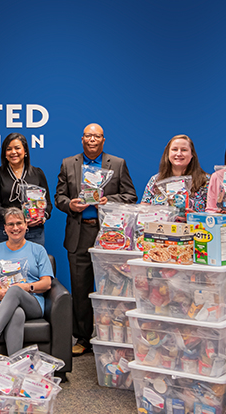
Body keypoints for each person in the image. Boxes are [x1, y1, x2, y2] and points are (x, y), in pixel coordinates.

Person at [54, 123, 136, 356]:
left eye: (97, 136)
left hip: (109, 235)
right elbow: (59, 196)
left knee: (112, 288)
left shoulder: (117, 164)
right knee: (80, 288)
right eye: (88, 136)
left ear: (103, 140)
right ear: (82, 139)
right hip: (79, 233)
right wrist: (69, 204)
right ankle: (82, 338)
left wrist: (109, 201)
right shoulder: (68, 163)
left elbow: (131, 195)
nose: (92, 139)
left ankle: (111, 336)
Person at [0, 208, 54, 356]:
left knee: (15, 290)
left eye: (19, 223)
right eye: (11, 224)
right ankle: (15, 363)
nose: (15, 228)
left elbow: (46, 283)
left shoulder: (38, 250)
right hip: (0, 302)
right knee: (17, 314)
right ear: (5, 227)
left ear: (26, 225)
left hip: (32, 302)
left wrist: (25, 287)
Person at [0, 133, 52, 245]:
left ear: (25, 151)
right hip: (7, 230)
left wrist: (42, 217)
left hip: (34, 231)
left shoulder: (37, 173)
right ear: (4, 153)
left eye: (17, 148)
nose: (13, 152)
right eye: (9, 149)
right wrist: (15, 219)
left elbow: (48, 204)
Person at [140, 135, 210, 218]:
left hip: (194, 226)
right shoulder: (155, 180)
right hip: (160, 226)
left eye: (184, 150)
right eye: (175, 149)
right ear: (168, 154)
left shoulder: (206, 181)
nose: (179, 153)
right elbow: (143, 211)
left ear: (192, 155)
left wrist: (194, 217)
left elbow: (214, 215)